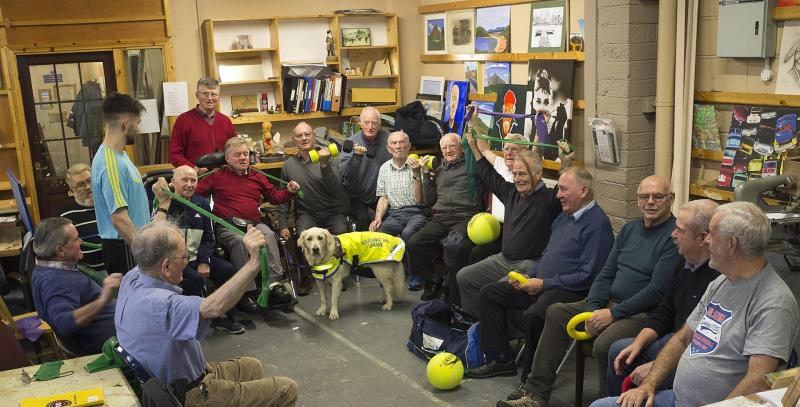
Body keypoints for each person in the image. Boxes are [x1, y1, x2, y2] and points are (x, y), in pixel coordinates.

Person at [497, 175, 683, 407]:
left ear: (671, 199)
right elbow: (606, 273)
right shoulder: (630, 229)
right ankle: (535, 394)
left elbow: (657, 291)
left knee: (605, 343)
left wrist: (613, 314)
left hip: (641, 314)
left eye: (658, 196)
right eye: (644, 196)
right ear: (637, 200)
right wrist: (594, 308)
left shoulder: (674, 236)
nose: (650, 202)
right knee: (557, 312)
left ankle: (607, 402)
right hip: (608, 304)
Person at [591, 201, 800, 407]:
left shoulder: (774, 303)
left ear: (731, 244)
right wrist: (649, 384)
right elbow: (683, 338)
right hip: (677, 398)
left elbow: (758, 380)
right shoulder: (722, 281)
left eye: (712, 234)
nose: (706, 240)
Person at [115, 221, 299, 407]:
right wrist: (253, 262)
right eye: (185, 256)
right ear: (166, 266)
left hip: (190, 376)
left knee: (252, 366)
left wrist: (162, 206)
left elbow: (148, 243)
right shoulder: (162, 304)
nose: (188, 261)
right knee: (287, 389)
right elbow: (214, 307)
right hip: (192, 394)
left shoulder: (134, 276)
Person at [468, 168, 614, 382]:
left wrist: (544, 284)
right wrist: (528, 275)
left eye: (563, 189)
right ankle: (502, 359)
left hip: (571, 291)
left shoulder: (597, 225)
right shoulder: (564, 217)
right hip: (542, 284)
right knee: (490, 293)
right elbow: (546, 255)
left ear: (583, 191)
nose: (558, 195)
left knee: (535, 315)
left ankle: (530, 380)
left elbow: (588, 276)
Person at [605, 199, 720, 396]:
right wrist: (638, 343)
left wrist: (657, 367)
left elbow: (703, 342)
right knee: (620, 350)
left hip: (695, 354)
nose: (673, 234)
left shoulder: (718, 277)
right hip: (674, 339)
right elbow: (665, 311)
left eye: (680, 230)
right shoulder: (684, 264)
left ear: (703, 237)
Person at [458, 130, 563, 317]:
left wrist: (566, 161)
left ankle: (491, 326)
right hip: (503, 259)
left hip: (529, 264)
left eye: (522, 174)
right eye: (514, 174)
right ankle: (478, 322)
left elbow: (564, 183)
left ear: (538, 174)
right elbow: (488, 174)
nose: (517, 179)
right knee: (464, 277)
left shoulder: (550, 199)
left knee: (493, 291)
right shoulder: (511, 192)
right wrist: (473, 146)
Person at [195, 138, 300, 312]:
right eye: (238, 155)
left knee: (269, 235)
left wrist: (289, 191)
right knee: (239, 241)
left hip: (254, 224)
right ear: (227, 158)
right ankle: (246, 290)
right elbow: (194, 193)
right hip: (227, 226)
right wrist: (191, 177)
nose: (243, 158)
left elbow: (275, 197)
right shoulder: (216, 177)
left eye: (245, 154)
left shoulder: (257, 176)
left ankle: (274, 284)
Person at [152, 166, 244, 334]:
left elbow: (209, 238)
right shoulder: (164, 202)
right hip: (175, 260)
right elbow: (155, 234)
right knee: (194, 279)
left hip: (197, 256)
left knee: (228, 270)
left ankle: (224, 316)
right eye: (184, 180)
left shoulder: (202, 204)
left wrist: (204, 261)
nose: (189, 184)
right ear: (173, 182)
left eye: (193, 180)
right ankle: (190, 322)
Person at [407, 133, 484, 301]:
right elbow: (428, 200)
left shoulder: (472, 166)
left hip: (465, 216)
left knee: (453, 244)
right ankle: (434, 280)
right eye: (444, 148)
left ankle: (449, 286)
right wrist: (425, 173)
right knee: (414, 243)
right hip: (441, 217)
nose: (448, 150)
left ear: (461, 147)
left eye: (452, 146)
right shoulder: (439, 169)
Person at [31, 217, 119, 355]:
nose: (81, 242)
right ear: (60, 251)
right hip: (109, 349)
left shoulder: (48, 268)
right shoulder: (54, 281)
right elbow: (63, 323)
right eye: (76, 239)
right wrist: (103, 300)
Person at [91, 92, 149, 275]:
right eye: (137, 123)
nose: (138, 129)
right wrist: (147, 256)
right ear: (125, 124)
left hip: (131, 244)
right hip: (125, 246)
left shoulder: (121, 156)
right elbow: (119, 219)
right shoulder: (111, 164)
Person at [369, 130, 427, 290]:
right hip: (395, 214)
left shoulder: (418, 165)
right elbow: (383, 198)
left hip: (417, 212)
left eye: (402, 142)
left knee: (409, 234)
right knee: (380, 234)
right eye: (394, 143)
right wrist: (378, 217)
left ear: (408, 146)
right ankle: (386, 275)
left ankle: (415, 273)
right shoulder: (384, 168)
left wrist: (416, 173)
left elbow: (420, 200)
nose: (398, 146)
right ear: (389, 148)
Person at [469, 134, 531, 267]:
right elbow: (484, 149)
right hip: (492, 224)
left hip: (512, 230)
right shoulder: (500, 163)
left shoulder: (529, 169)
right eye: (506, 148)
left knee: (477, 253)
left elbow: (537, 151)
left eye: (513, 149)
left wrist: (541, 128)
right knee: (464, 247)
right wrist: (473, 124)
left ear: (524, 151)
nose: (508, 153)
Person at [168, 77, 237, 172]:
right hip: (195, 178)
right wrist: (194, 169)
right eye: (205, 94)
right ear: (197, 95)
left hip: (223, 177)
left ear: (219, 97)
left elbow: (236, 149)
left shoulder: (226, 121)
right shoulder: (183, 121)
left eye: (213, 94)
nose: (209, 98)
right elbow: (174, 155)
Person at [340, 107, 392, 231]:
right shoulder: (351, 142)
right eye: (367, 123)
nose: (370, 127)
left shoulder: (389, 140)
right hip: (357, 195)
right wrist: (356, 157)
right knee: (363, 218)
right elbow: (345, 173)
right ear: (361, 124)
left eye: (374, 123)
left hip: (381, 193)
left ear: (380, 124)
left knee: (391, 217)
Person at [58, 163, 104, 272]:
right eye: (81, 185)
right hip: (88, 274)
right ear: (71, 191)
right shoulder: (64, 215)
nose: (88, 187)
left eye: (89, 181)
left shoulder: (109, 205)